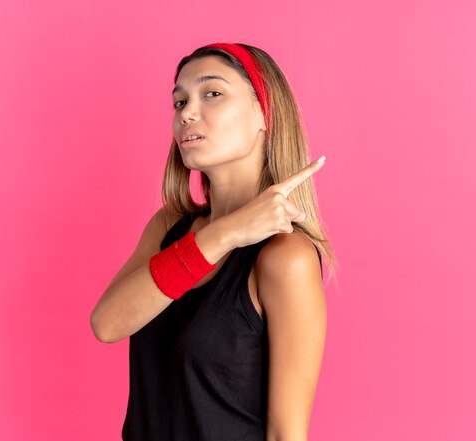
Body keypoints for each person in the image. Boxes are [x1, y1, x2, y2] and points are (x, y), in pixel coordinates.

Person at [90, 42, 337, 441]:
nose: (186, 112)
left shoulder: (284, 257)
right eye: (179, 101)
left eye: (212, 94)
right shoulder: (168, 228)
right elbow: (106, 323)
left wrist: (232, 233)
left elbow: (286, 433)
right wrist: (226, 232)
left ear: (265, 112)